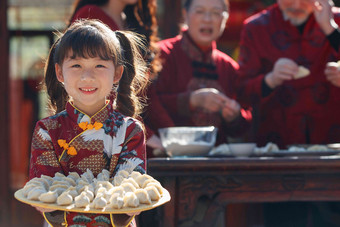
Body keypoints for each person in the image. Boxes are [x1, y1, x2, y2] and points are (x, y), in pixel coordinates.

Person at [29, 19, 148, 227]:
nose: (87, 76)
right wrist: (43, 200)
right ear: (59, 73)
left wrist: (133, 202)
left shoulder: (130, 131)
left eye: (99, 65)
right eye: (76, 65)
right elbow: (44, 191)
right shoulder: (46, 131)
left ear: (117, 73)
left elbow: (130, 192)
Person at [236, 0, 340, 226]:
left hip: (334, 157)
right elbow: (240, 91)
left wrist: (331, 30)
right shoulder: (256, 27)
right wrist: (269, 80)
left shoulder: (336, 20)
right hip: (278, 158)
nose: (295, 3)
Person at [145, 0, 252, 146]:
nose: (207, 19)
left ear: (224, 19)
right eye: (200, 11)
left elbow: (244, 124)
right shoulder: (160, 55)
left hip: (216, 161)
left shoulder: (228, 67)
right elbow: (145, 106)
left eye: (215, 13)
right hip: (167, 157)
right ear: (185, 15)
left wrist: (234, 116)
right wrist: (191, 101)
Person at [69, 0, 165, 155]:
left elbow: (146, 94)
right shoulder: (90, 16)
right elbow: (94, 89)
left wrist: (170, 137)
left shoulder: (133, 21)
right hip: (97, 139)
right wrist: (147, 135)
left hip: (133, 136)